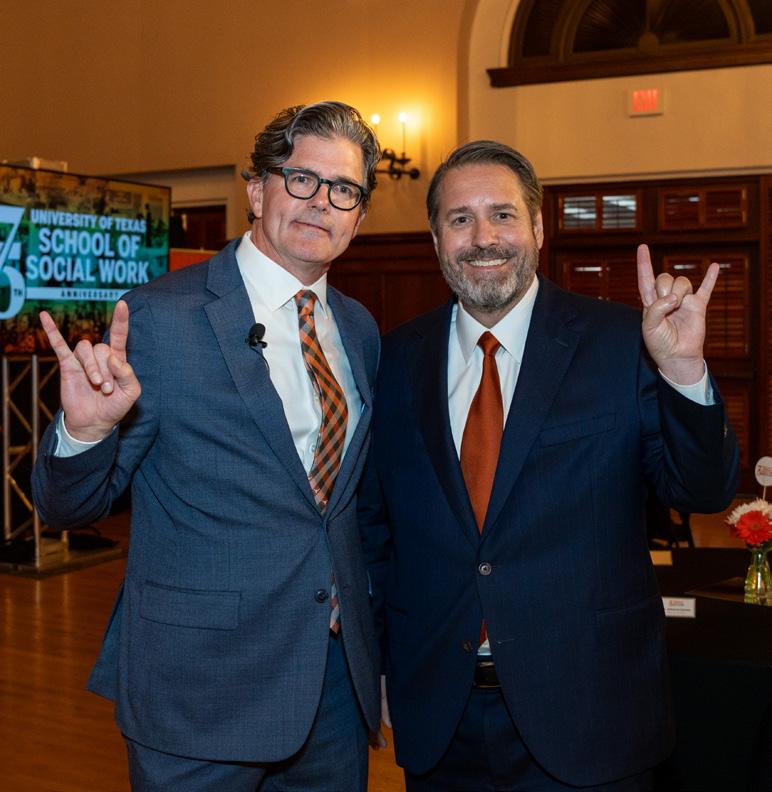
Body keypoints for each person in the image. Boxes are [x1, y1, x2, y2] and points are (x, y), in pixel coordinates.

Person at [358, 140, 739, 791]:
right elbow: (376, 535)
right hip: (441, 723)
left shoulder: (624, 342)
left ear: (538, 227)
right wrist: (385, 669)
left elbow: (702, 489)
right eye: (460, 219)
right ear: (435, 238)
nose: (483, 238)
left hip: (592, 717)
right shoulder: (393, 360)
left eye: (503, 215)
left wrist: (682, 372)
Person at [32, 101, 383, 792]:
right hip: (198, 690)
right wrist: (87, 432)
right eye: (302, 179)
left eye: (344, 189)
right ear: (256, 189)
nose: (322, 203)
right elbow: (69, 508)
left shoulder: (361, 328)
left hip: (332, 687)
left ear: (360, 215)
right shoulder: (160, 318)